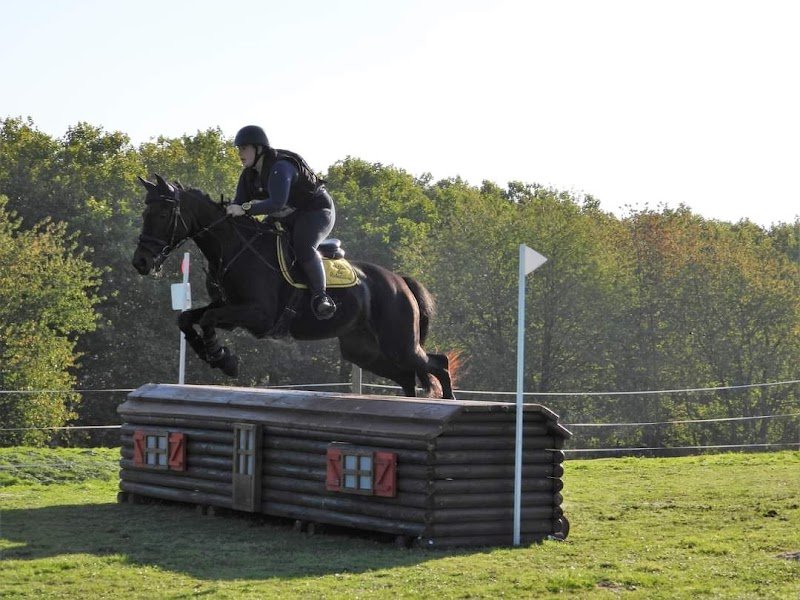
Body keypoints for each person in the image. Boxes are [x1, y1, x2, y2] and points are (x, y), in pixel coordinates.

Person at [226, 125, 337, 320]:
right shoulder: (248, 176)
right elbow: (238, 206)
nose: (240, 154)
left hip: (315, 211)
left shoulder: (280, 167)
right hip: (285, 215)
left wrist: (245, 209)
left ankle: (321, 297)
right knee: (259, 240)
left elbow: (276, 203)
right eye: (239, 149)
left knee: (303, 246)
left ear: (259, 149)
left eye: (244, 148)